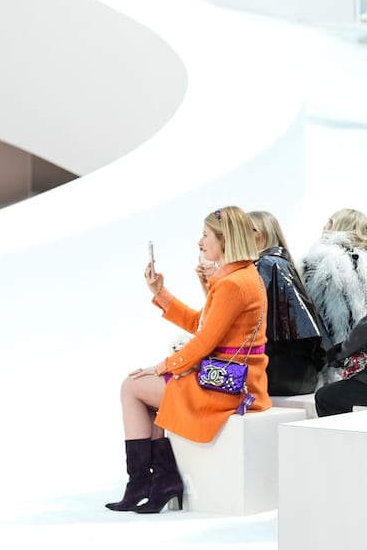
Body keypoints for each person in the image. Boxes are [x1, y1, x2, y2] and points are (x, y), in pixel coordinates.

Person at [110, 207, 269, 514]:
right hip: (232, 377)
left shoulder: (233, 283)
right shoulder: (242, 277)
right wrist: (161, 293)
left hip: (226, 386)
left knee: (131, 387)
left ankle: (143, 482)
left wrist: (162, 367)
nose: (200, 241)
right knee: (141, 389)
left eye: (206, 235)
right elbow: (202, 324)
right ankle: (156, 482)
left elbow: (203, 341)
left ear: (224, 241)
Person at [244, 210, 325, 396]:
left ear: (261, 235)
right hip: (298, 374)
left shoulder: (267, 265)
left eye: (247, 231)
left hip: (276, 374)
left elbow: (245, 317)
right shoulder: (279, 263)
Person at [301, 209, 367, 398]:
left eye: (329, 222)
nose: (324, 227)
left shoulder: (320, 261)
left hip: (331, 358)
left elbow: (309, 314)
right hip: (361, 360)